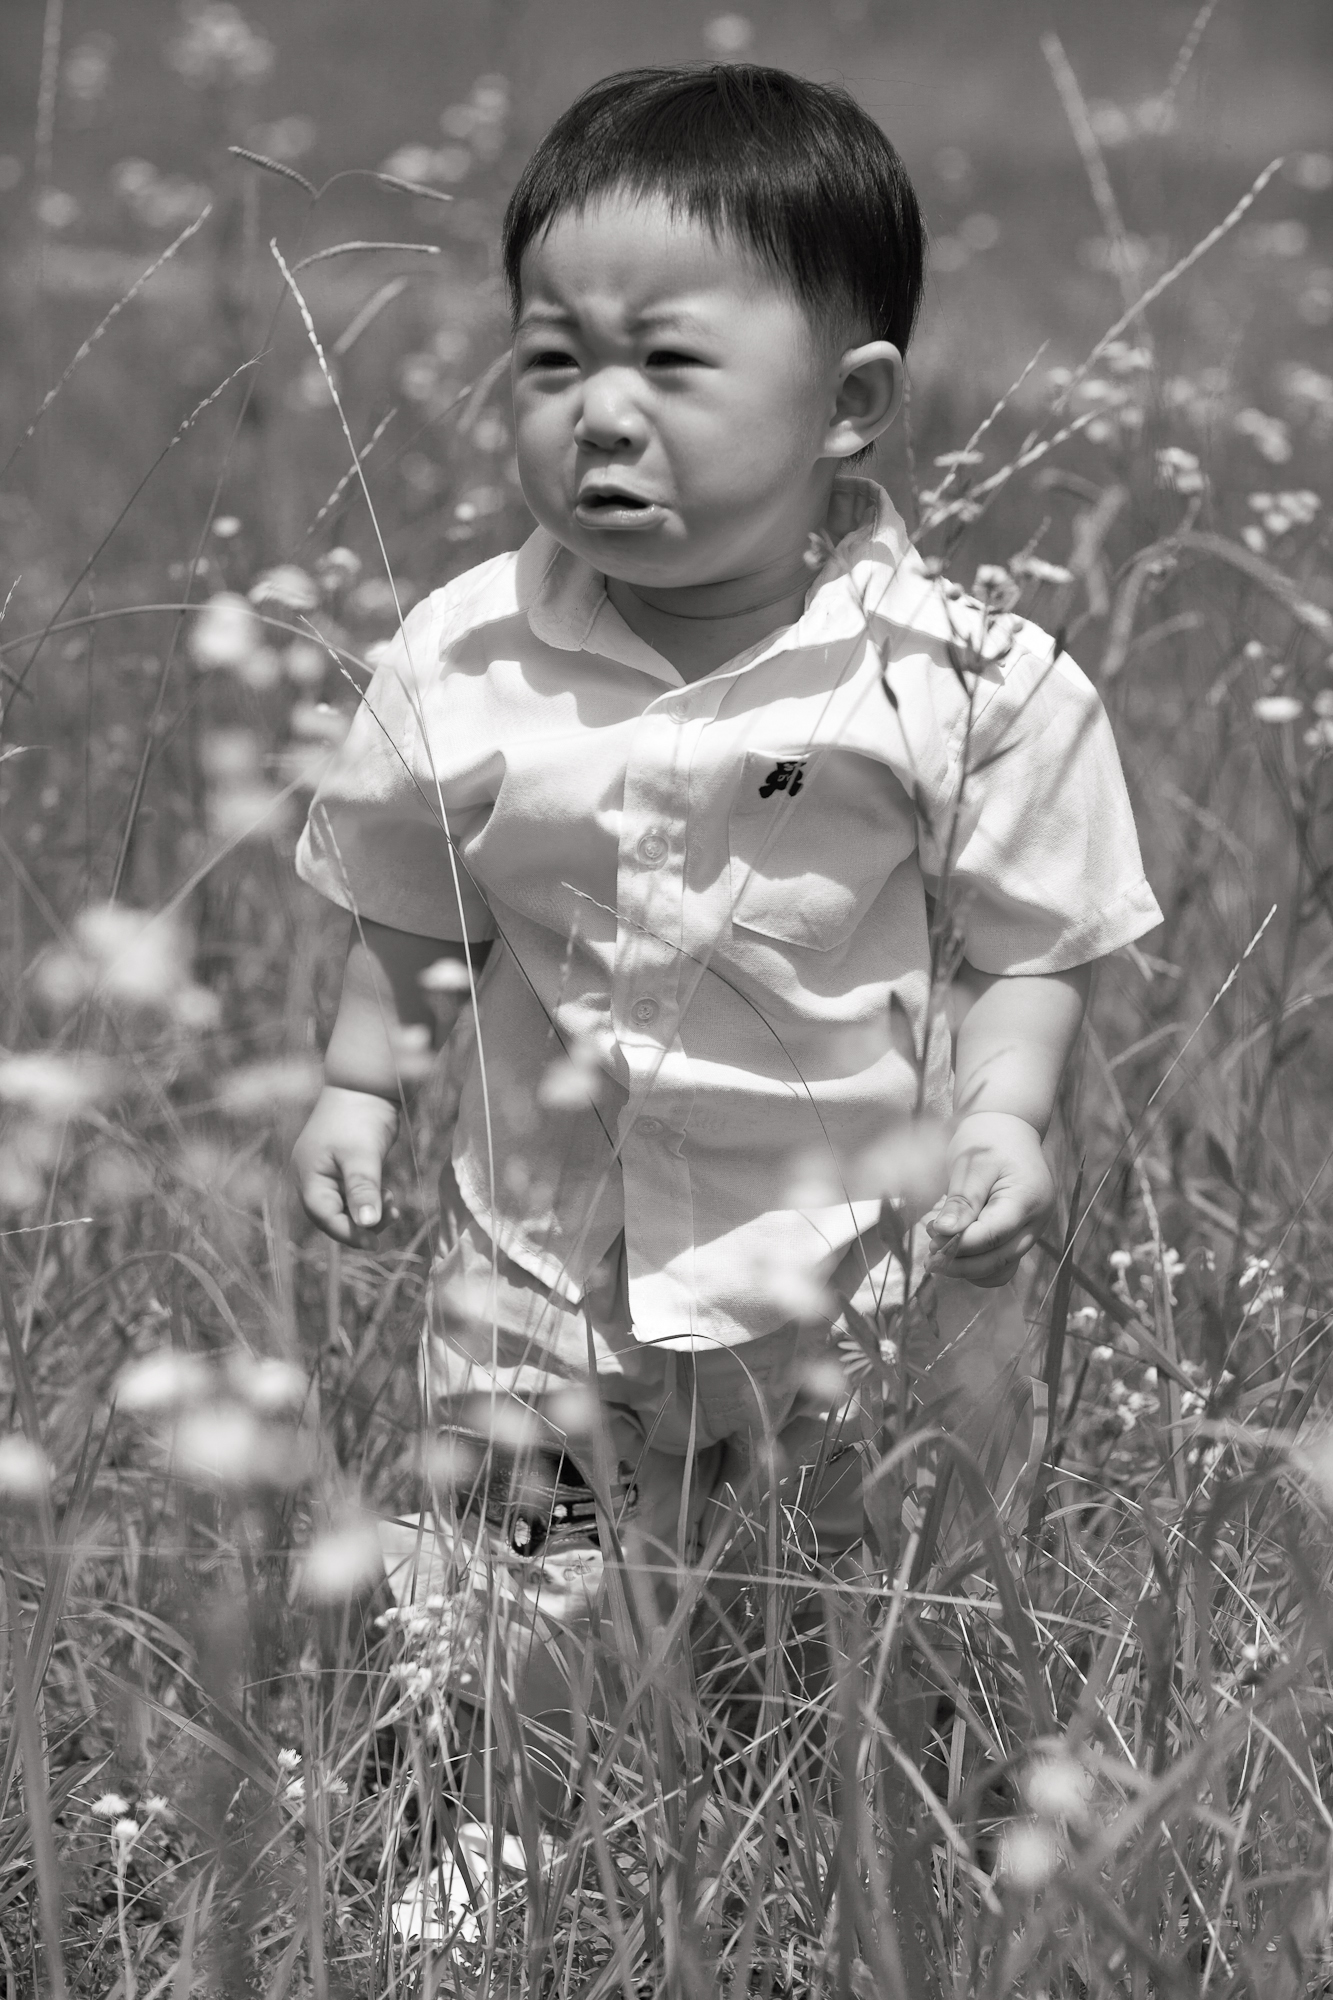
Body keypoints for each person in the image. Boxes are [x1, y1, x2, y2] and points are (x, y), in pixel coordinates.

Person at [291, 61, 1161, 1893]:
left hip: (848, 1259)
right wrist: (362, 1081)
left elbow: (1030, 942)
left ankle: (863, 1830)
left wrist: (1007, 1110)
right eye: (551, 358)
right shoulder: (464, 657)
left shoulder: (956, 680)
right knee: (523, 1564)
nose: (598, 413)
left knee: (873, 1567)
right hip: (543, 1253)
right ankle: (514, 1818)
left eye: (670, 362)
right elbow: (410, 905)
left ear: (850, 406)